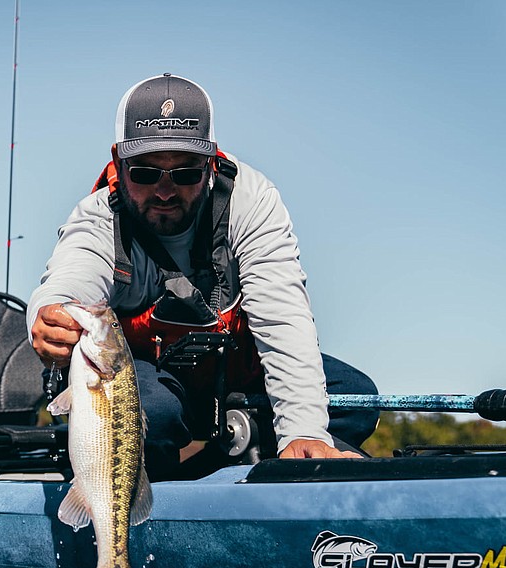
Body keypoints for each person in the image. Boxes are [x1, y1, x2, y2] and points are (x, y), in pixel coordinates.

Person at [28, 73, 378, 480]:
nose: (164, 190)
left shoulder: (252, 200)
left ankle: (239, 466)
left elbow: (283, 317)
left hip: (227, 375)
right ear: (119, 165)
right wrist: (48, 315)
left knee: (355, 399)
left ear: (210, 166)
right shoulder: (98, 217)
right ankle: (150, 501)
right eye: (144, 173)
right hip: (146, 380)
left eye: (185, 173)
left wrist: (304, 433)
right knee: (152, 414)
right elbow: (66, 283)